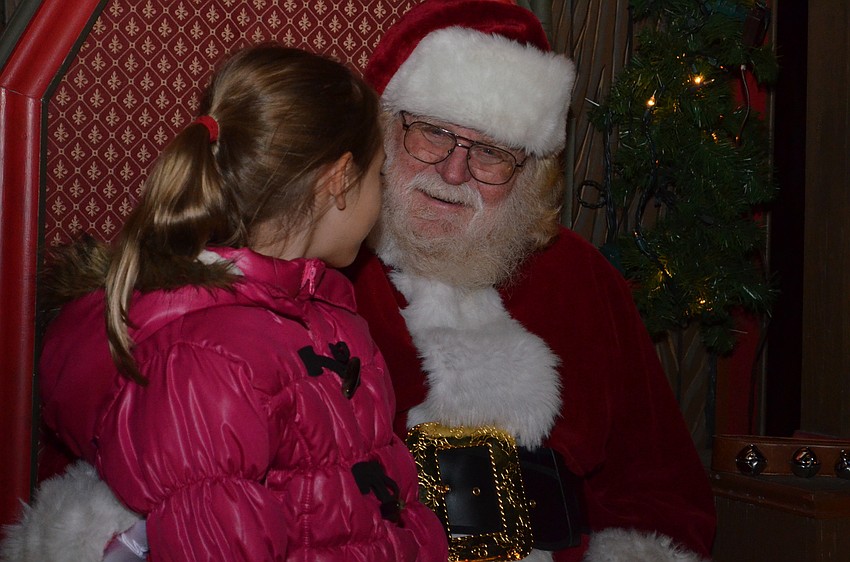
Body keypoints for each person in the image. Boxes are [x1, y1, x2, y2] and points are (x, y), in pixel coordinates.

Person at [4, 44, 448, 562]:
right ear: (339, 182)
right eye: (378, 178)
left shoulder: (326, 312)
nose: (381, 200)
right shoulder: (205, 362)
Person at [342, 1, 717, 561]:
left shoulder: (581, 280)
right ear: (385, 130)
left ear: (531, 172)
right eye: (432, 134)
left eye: (491, 152)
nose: (452, 171)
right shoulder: (329, 268)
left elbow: (657, 488)